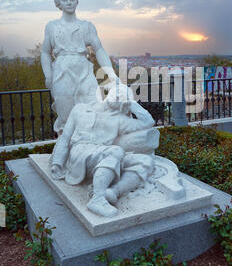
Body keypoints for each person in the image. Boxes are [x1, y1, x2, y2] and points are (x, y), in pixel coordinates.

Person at [50, 85, 157, 217]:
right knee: (116, 152)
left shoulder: (120, 120)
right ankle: (97, 199)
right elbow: (65, 137)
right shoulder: (80, 109)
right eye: (117, 93)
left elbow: (148, 122)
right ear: (109, 92)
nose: (118, 96)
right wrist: (57, 163)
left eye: (122, 97)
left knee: (146, 161)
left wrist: (133, 105)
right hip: (81, 153)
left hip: (106, 156)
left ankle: (113, 192)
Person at [41, 0, 119, 134]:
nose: (69, 2)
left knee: (94, 109)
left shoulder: (87, 26)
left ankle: (90, 147)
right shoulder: (52, 27)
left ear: (77, 1)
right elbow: (45, 52)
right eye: (65, 0)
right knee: (67, 116)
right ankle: (68, 150)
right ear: (59, 3)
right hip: (62, 73)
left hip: (84, 71)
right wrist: (48, 75)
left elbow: (100, 50)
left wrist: (111, 73)